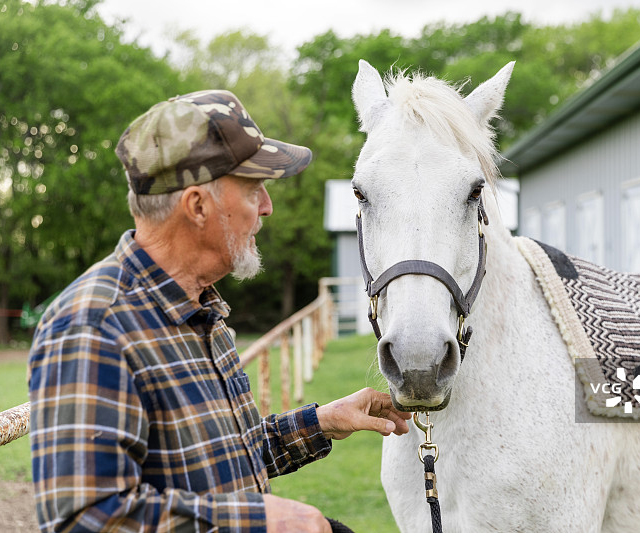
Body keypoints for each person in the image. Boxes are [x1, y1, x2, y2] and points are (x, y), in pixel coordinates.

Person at [28, 89, 411, 533]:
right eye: (254, 190)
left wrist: (322, 421)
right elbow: (87, 519)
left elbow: (225, 458)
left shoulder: (201, 308)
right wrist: (258, 522)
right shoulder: (93, 328)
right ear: (197, 206)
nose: (267, 206)